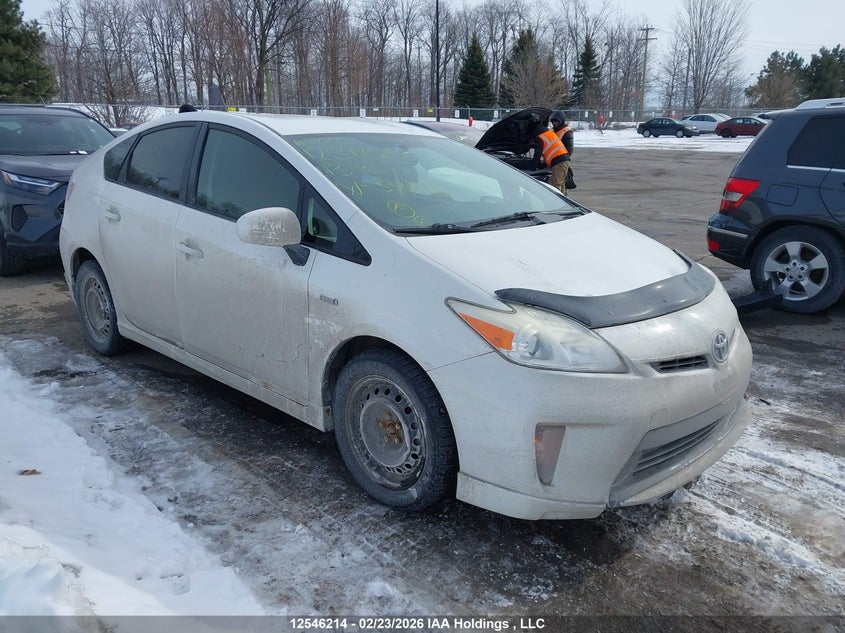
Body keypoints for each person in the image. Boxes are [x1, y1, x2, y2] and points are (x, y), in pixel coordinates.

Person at [530, 114, 569, 195]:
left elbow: (537, 154)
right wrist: (543, 164)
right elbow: (549, 151)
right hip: (562, 160)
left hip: (558, 162)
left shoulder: (540, 137)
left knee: (555, 187)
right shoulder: (547, 132)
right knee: (561, 185)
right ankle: (564, 201)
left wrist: (532, 168)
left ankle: (557, 202)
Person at [550, 110, 574, 193]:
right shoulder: (553, 131)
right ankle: (563, 197)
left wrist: (562, 160)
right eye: (553, 121)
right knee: (561, 184)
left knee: (557, 185)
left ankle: (559, 199)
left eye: (556, 121)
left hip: (560, 162)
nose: (554, 123)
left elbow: (569, 150)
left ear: (561, 121)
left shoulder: (567, 132)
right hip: (554, 162)